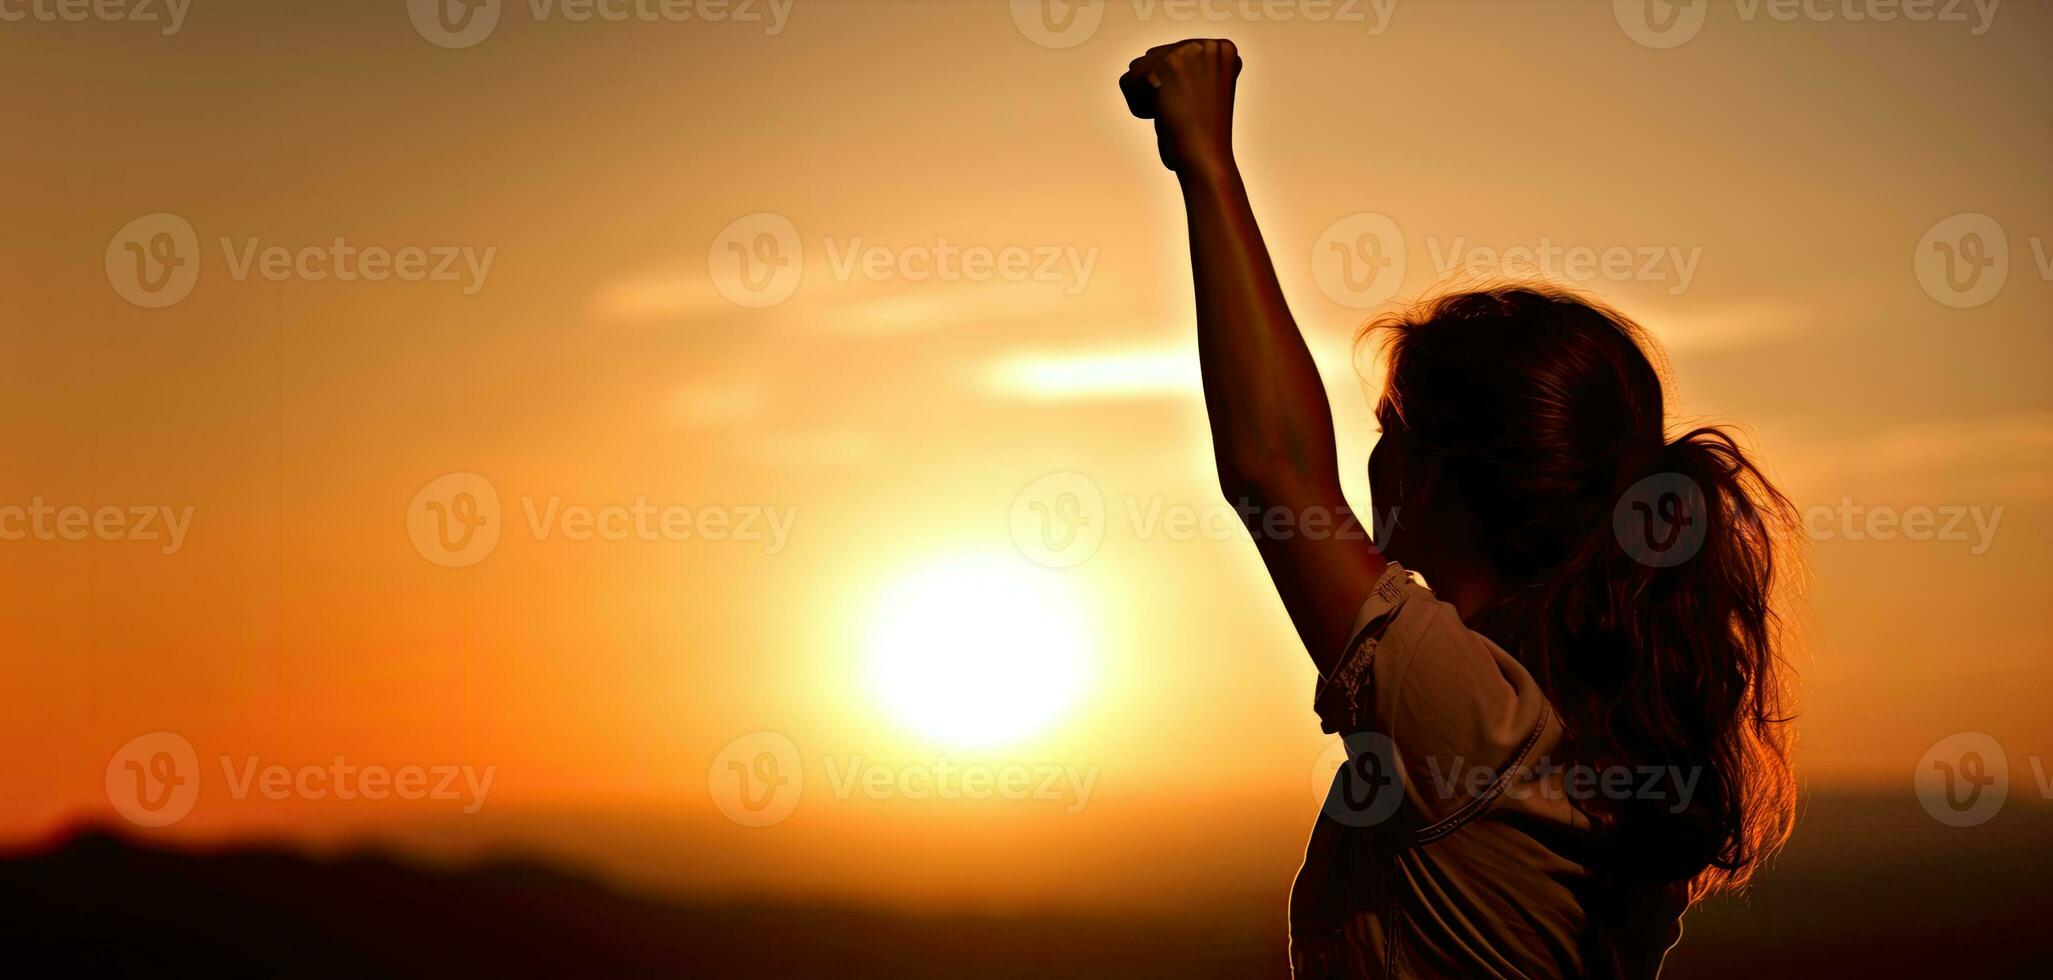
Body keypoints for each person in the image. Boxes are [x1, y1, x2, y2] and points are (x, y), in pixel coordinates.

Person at [1119, 39, 1798, 979]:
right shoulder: (1603, 742)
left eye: (1389, 427)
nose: (1367, 456)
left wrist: (1205, 161)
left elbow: (1276, 472)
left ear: (1437, 476)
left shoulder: (1475, 723)